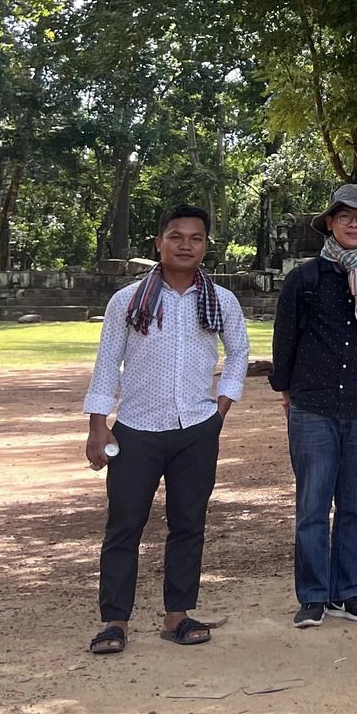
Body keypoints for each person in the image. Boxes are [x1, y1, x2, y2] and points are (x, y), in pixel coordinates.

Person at [83, 205, 251, 653]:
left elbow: (238, 353)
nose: (185, 245)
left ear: (206, 246)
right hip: (136, 429)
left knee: (189, 523)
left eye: (195, 238)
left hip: (197, 426)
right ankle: (114, 621)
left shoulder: (220, 301)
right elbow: (107, 365)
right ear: (159, 242)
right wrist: (99, 425)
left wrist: (222, 407)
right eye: (176, 236)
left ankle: (177, 614)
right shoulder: (127, 301)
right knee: (124, 526)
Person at [270, 183, 357, 627]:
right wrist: (287, 389)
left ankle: (346, 589)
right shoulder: (305, 278)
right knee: (312, 505)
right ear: (330, 222)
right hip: (313, 403)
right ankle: (313, 594)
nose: (353, 223)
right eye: (344, 216)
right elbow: (285, 338)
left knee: (355, 505)